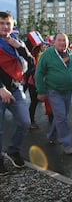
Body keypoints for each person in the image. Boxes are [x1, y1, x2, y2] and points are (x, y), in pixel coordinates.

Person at [35, 33, 72, 155]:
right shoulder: (47, 55)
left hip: (68, 90)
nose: (62, 43)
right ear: (54, 42)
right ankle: (67, 145)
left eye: (64, 40)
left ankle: (51, 135)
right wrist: (41, 91)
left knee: (61, 116)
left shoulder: (71, 54)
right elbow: (39, 73)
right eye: (59, 40)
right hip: (54, 91)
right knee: (61, 117)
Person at [0, 11, 34, 175]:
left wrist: (19, 48)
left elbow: (31, 62)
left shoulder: (17, 41)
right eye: (1, 23)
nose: (5, 27)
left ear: (12, 25)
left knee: (24, 122)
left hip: (15, 88)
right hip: (0, 89)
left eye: (8, 23)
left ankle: (13, 150)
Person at [27, 40, 48, 130]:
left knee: (36, 102)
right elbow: (30, 71)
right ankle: (30, 121)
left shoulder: (44, 56)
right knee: (34, 102)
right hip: (33, 83)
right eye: (44, 46)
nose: (46, 47)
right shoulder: (34, 58)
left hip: (40, 83)